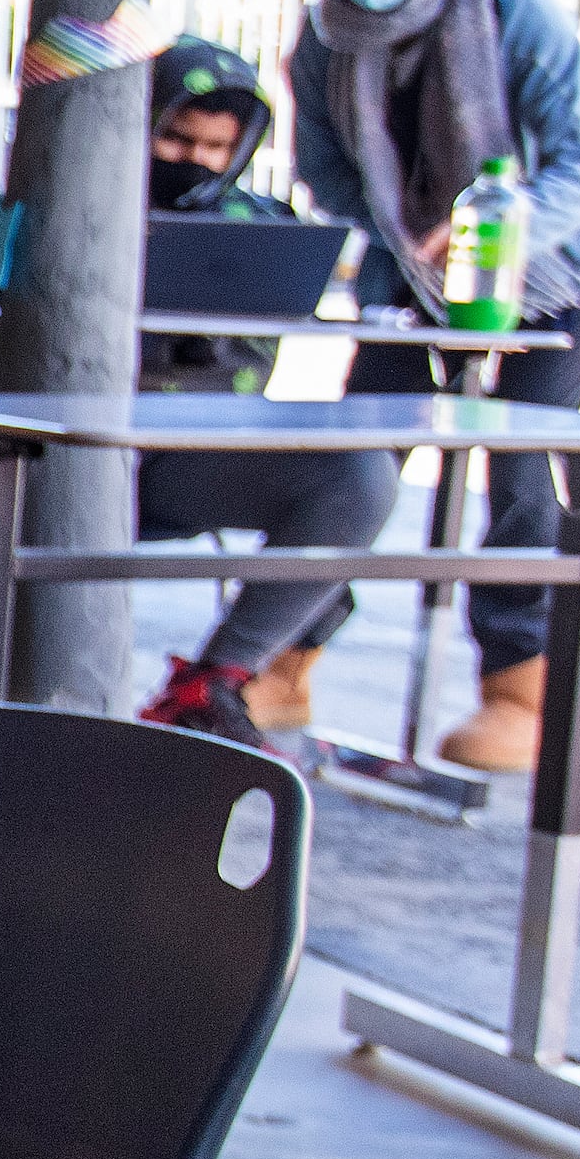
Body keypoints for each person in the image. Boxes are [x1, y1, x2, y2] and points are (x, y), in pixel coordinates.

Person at [282, 0, 580, 775]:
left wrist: (497, 229)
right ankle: (280, 656)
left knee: (523, 470)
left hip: (557, 271)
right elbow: (326, 170)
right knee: (351, 456)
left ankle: (517, 689)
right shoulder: (327, 35)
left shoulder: (516, 13)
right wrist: (413, 234)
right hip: (418, 268)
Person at [127, 45, 398, 749]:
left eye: (218, 147)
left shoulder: (265, 223)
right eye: (175, 137)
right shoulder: (67, 199)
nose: (197, 159)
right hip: (67, 455)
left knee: (359, 473)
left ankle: (212, 684)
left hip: (199, 455)